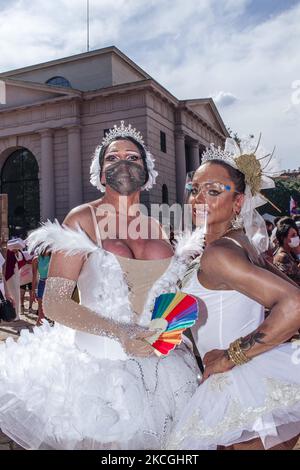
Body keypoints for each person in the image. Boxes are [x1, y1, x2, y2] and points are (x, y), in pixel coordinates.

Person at [0, 121, 200, 450]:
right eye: (113, 158)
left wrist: (173, 333)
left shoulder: (159, 229)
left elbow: (170, 300)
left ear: (147, 172)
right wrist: (120, 330)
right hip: (97, 371)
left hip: (164, 371)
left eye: (133, 157)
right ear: (101, 173)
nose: (123, 162)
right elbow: (55, 303)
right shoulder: (81, 220)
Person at [168, 137, 300, 450]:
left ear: (237, 202)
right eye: (194, 189)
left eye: (213, 191)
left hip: (237, 389)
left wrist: (230, 356)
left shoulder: (220, 254)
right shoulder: (242, 245)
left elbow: (295, 304)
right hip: (253, 383)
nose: (198, 198)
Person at [273, 217, 300, 286]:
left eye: (296, 234)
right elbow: (296, 279)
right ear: (283, 238)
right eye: (293, 235)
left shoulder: (289, 252)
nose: (297, 238)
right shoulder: (282, 257)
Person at [32, 250, 51, 325]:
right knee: (41, 313)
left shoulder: (54, 257)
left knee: (53, 312)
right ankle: (37, 333)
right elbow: (34, 277)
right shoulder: (36, 259)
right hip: (42, 284)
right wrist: (33, 291)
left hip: (52, 284)